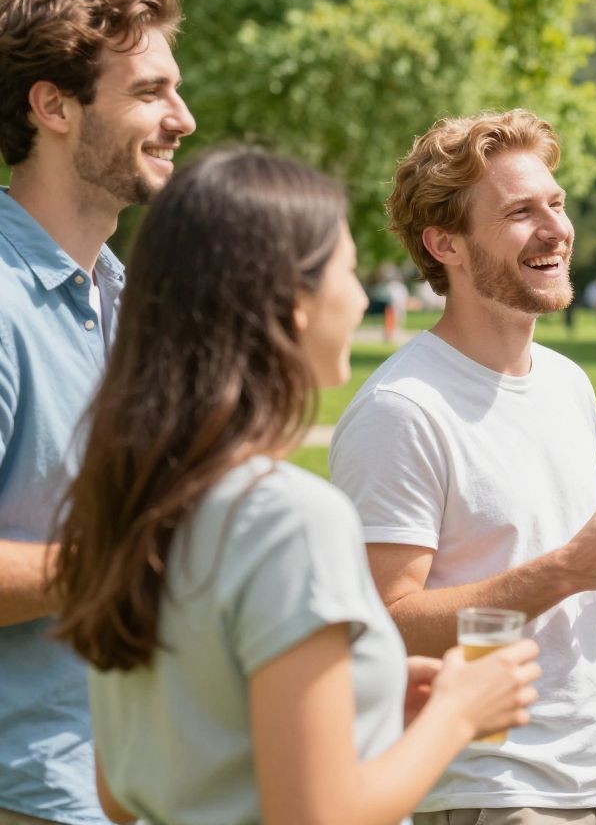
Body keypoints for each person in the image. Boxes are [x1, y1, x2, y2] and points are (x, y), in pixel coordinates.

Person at [48, 149, 540, 825]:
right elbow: (316, 814)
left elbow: (121, 785)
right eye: (345, 269)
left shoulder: (132, 498)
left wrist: (367, 699)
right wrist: (460, 712)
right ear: (293, 304)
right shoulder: (288, 516)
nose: (364, 296)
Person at [329, 109, 596, 824]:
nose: (556, 228)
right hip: (489, 794)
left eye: (555, 203)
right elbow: (380, 625)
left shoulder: (566, 383)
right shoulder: (404, 409)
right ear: (446, 245)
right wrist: (567, 569)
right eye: (521, 212)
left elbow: (560, 601)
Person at [0, 0, 194, 825]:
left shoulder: (120, 294)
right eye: (150, 92)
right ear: (54, 107)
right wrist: (134, 560)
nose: (182, 120)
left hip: (134, 783)